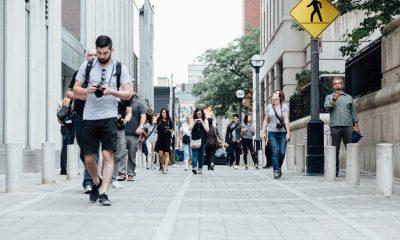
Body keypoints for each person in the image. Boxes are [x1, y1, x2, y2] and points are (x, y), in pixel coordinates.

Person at [73, 35, 133, 206]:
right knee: (88, 157)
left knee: (108, 154)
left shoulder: (120, 68)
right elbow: (75, 90)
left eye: (105, 53)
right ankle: (96, 181)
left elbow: (128, 93)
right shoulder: (87, 65)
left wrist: (111, 92)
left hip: (109, 116)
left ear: (111, 51)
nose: (101, 56)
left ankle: (104, 192)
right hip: (89, 117)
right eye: (98, 53)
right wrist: (87, 90)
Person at [66, 49, 98, 193]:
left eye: (95, 55)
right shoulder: (79, 73)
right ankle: (94, 174)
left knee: (92, 149)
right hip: (79, 116)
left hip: (96, 117)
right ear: (85, 57)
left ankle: (89, 181)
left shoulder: (102, 75)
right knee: (83, 150)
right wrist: (78, 96)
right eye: (90, 55)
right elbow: (68, 92)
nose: (92, 57)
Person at [324, 77, 359, 177]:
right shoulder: (329, 97)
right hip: (335, 126)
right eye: (335, 84)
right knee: (335, 150)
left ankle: (352, 171)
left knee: (350, 149)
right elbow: (327, 109)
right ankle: (335, 171)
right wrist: (334, 99)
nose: (337, 85)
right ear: (333, 86)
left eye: (339, 83)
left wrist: (356, 126)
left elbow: (353, 113)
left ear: (342, 85)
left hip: (348, 126)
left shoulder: (349, 97)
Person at [262, 90, 291, 179]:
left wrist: (288, 133)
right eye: (273, 92)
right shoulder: (269, 107)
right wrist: (263, 131)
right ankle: (275, 171)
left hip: (282, 132)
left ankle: (278, 167)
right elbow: (266, 120)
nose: (273, 94)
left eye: (275, 93)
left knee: (282, 153)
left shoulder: (284, 106)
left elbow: (286, 120)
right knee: (274, 152)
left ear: (279, 97)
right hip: (272, 132)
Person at [110, 98, 132, 189]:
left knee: (119, 154)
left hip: (120, 128)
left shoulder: (124, 95)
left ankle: (113, 179)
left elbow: (129, 112)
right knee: (106, 153)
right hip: (106, 127)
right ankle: (103, 177)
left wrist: (124, 120)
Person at [125, 96, 147, 181]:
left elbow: (143, 116)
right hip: (121, 132)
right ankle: (121, 173)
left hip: (134, 133)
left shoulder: (139, 103)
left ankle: (130, 173)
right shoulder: (121, 102)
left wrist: (141, 127)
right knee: (120, 154)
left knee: (132, 154)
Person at [154, 109, 174, 174]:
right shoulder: (159, 120)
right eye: (163, 112)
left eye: (165, 112)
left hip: (167, 138)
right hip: (160, 139)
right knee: (160, 155)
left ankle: (165, 167)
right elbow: (153, 122)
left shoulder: (169, 121)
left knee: (166, 153)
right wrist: (158, 116)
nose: (164, 113)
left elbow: (172, 129)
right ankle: (162, 165)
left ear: (167, 113)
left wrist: (170, 131)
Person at [58, 97, 75, 175]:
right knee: (66, 148)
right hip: (66, 127)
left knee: (70, 148)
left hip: (69, 127)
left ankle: (69, 168)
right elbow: (60, 115)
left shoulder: (65, 101)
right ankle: (63, 169)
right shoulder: (66, 101)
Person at [190, 108, 209, 174]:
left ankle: (200, 168)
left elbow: (207, 130)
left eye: (200, 114)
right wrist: (194, 122)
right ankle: (194, 167)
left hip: (203, 140)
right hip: (194, 140)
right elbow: (189, 128)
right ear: (195, 113)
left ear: (202, 114)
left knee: (201, 155)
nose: (199, 115)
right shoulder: (192, 120)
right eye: (197, 114)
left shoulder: (205, 120)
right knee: (195, 154)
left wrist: (202, 122)